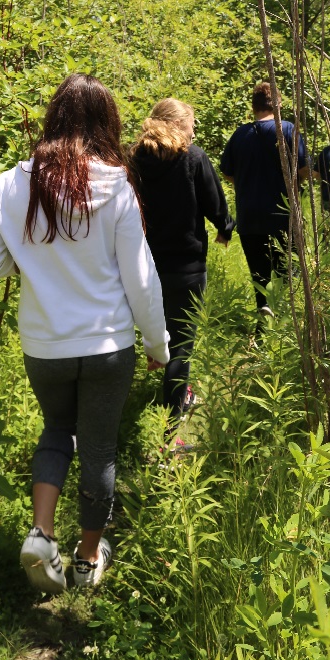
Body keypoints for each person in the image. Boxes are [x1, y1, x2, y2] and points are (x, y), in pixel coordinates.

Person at [0, 73, 169, 595]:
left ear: (53, 118)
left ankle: (41, 534)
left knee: (57, 430)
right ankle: (85, 560)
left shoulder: (11, 184)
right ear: (107, 123)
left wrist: (32, 259)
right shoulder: (116, 184)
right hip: (107, 345)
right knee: (99, 449)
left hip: (45, 344)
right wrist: (157, 345)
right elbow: (141, 278)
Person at [130, 98, 234, 436]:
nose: (194, 130)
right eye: (191, 123)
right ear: (178, 123)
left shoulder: (134, 160)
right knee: (182, 343)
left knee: (154, 331)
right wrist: (226, 227)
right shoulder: (193, 157)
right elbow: (214, 201)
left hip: (142, 264)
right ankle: (171, 427)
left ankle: (167, 395)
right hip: (186, 265)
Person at [220, 82, 307, 317]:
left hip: (249, 215)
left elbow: (227, 171)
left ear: (253, 106)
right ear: (278, 104)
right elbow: (303, 169)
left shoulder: (240, 134)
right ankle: (287, 318)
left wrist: (246, 184)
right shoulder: (288, 130)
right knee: (289, 271)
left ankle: (263, 314)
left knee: (259, 273)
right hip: (282, 214)